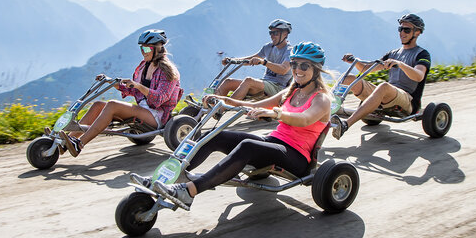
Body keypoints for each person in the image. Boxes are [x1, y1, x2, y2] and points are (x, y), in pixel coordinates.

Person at [130, 41, 331, 210]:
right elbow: (253, 105)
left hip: (296, 157)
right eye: (294, 64)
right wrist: (223, 101)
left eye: (304, 66)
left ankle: (189, 191)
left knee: (247, 147)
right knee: (216, 135)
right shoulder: (292, 90)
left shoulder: (321, 99)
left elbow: (305, 119)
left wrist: (275, 112)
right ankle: (167, 178)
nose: (297, 70)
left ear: (316, 70)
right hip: (273, 143)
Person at [57, 29, 182, 157]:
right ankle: (67, 142)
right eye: (142, 49)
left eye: (147, 49)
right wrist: (111, 82)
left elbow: (160, 98)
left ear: (158, 48)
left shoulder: (168, 71)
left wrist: (139, 86)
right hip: (143, 110)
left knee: (112, 105)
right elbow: (132, 90)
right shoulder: (144, 66)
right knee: (98, 105)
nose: (143, 53)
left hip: (156, 115)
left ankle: (80, 144)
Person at [331, 13, 431, 140]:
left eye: (407, 30)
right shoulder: (393, 53)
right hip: (387, 95)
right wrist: (354, 61)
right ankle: (323, 109)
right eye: (400, 29)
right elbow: (367, 68)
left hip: (407, 100)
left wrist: (400, 64)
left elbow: (419, 76)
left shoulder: (422, 54)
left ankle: (345, 125)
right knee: (348, 78)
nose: (402, 33)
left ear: (417, 33)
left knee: (384, 86)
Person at [215, 19, 293, 100]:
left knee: (248, 81)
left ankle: (224, 107)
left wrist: (264, 62)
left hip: (278, 87)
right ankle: (213, 109)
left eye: (275, 33)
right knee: (228, 82)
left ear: (285, 34)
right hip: (263, 83)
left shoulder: (290, 51)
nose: (272, 35)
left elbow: (283, 69)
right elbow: (250, 59)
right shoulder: (268, 47)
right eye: (271, 33)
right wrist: (232, 60)